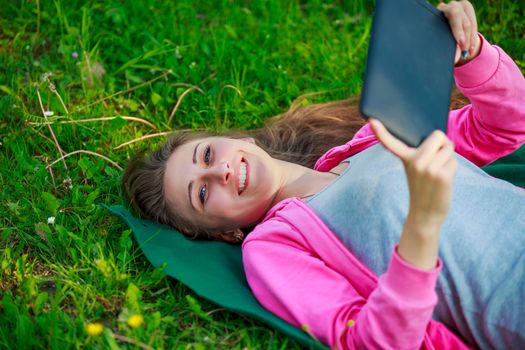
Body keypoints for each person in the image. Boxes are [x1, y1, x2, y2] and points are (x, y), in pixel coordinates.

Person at [122, 1, 525, 349]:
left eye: (207, 154)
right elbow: (369, 341)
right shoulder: (272, 249)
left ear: (239, 138)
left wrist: (472, 55)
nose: (221, 171)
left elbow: (505, 128)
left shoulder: (372, 138)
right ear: (224, 234)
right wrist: (422, 226)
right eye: (203, 194)